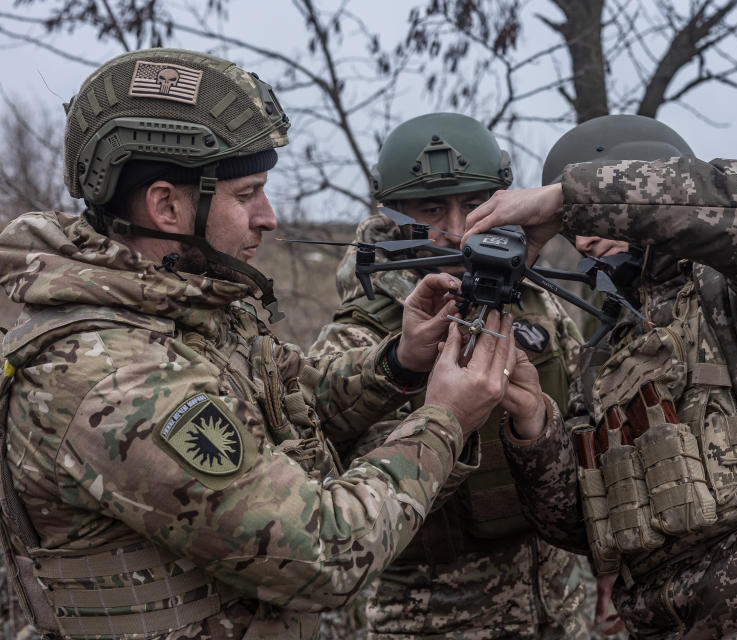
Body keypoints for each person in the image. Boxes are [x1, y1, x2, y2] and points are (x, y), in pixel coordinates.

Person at [0, 48, 518, 639]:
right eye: (247, 194)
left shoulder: (188, 308)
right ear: (167, 205)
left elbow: (290, 398)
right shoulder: (115, 380)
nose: (268, 217)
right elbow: (324, 555)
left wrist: (398, 363)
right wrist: (445, 420)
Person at [464, 114, 737, 638]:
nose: (583, 243)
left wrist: (570, 198)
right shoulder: (607, 352)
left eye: (587, 220)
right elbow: (584, 524)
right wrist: (533, 424)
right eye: (572, 230)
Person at [310, 112, 597, 639]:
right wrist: (449, 414)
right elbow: (348, 502)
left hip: (562, 605)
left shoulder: (537, 305)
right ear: (395, 219)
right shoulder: (361, 336)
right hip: (433, 617)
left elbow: (585, 427)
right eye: (431, 209)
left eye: (474, 204)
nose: (461, 227)